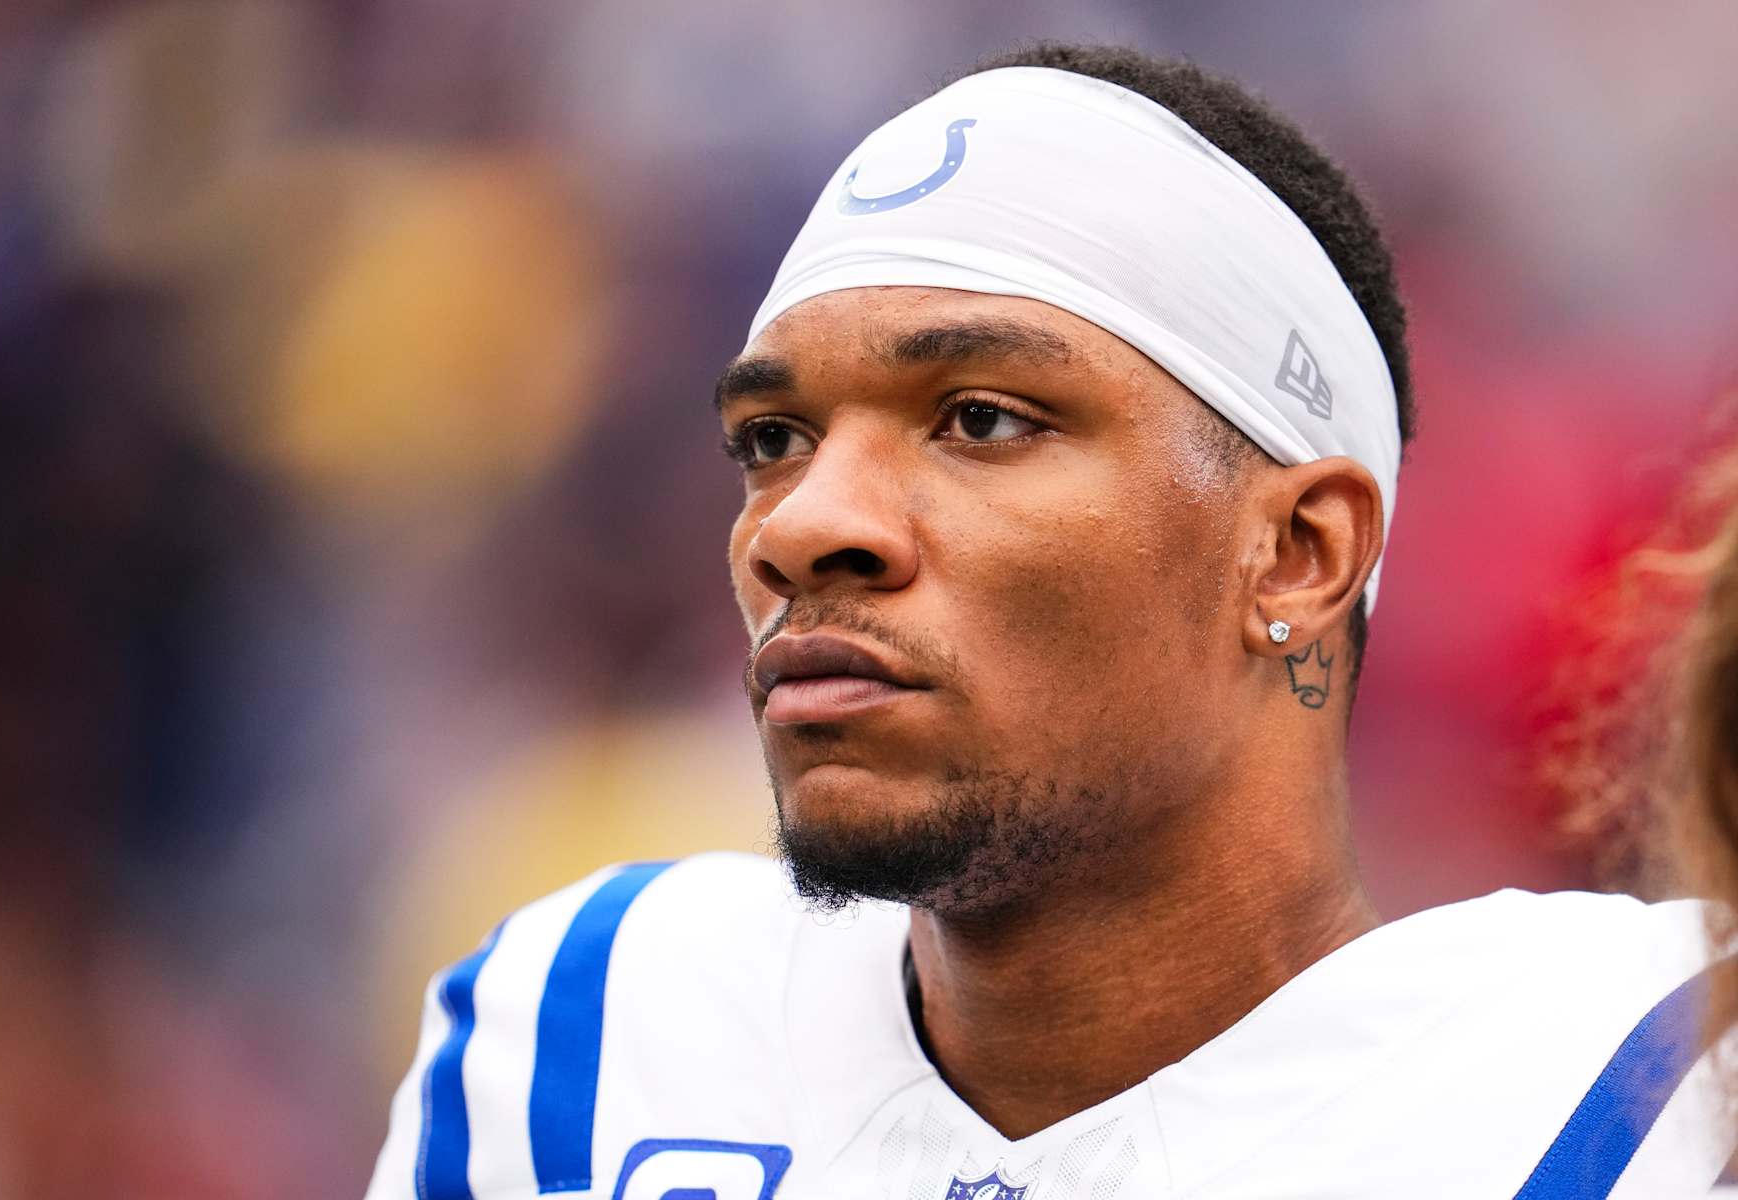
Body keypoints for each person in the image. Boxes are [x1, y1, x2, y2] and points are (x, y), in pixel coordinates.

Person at [364, 45, 1730, 1199]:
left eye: (982, 420)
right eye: (774, 437)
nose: (796, 527)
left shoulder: (1651, 1091)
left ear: (1298, 555)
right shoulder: (581, 1034)